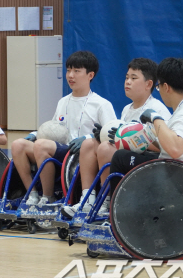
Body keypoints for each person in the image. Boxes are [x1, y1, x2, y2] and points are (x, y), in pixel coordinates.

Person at [61, 58, 171, 218]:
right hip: (127, 157)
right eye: (127, 77)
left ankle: (105, 202)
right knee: (89, 143)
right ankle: (87, 199)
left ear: (148, 85)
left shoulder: (157, 109)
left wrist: (135, 140)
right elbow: (121, 140)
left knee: (106, 148)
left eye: (133, 78)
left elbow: (164, 146)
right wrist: (103, 135)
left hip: (150, 162)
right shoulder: (127, 109)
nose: (127, 82)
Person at [10, 51, 116, 206]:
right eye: (68, 70)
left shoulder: (102, 104)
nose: (70, 75)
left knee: (41, 145)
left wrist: (87, 139)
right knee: (18, 145)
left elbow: (110, 136)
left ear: (90, 75)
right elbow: (54, 128)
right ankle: (32, 194)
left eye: (76, 71)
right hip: (62, 149)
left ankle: (48, 197)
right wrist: (34, 134)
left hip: (82, 155)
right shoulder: (63, 102)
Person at [110, 57, 183, 176]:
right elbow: (169, 144)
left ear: (166, 87)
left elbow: (175, 150)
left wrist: (155, 118)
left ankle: (114, 195)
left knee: (120, 157)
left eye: (158, 87)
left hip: (181, 175)